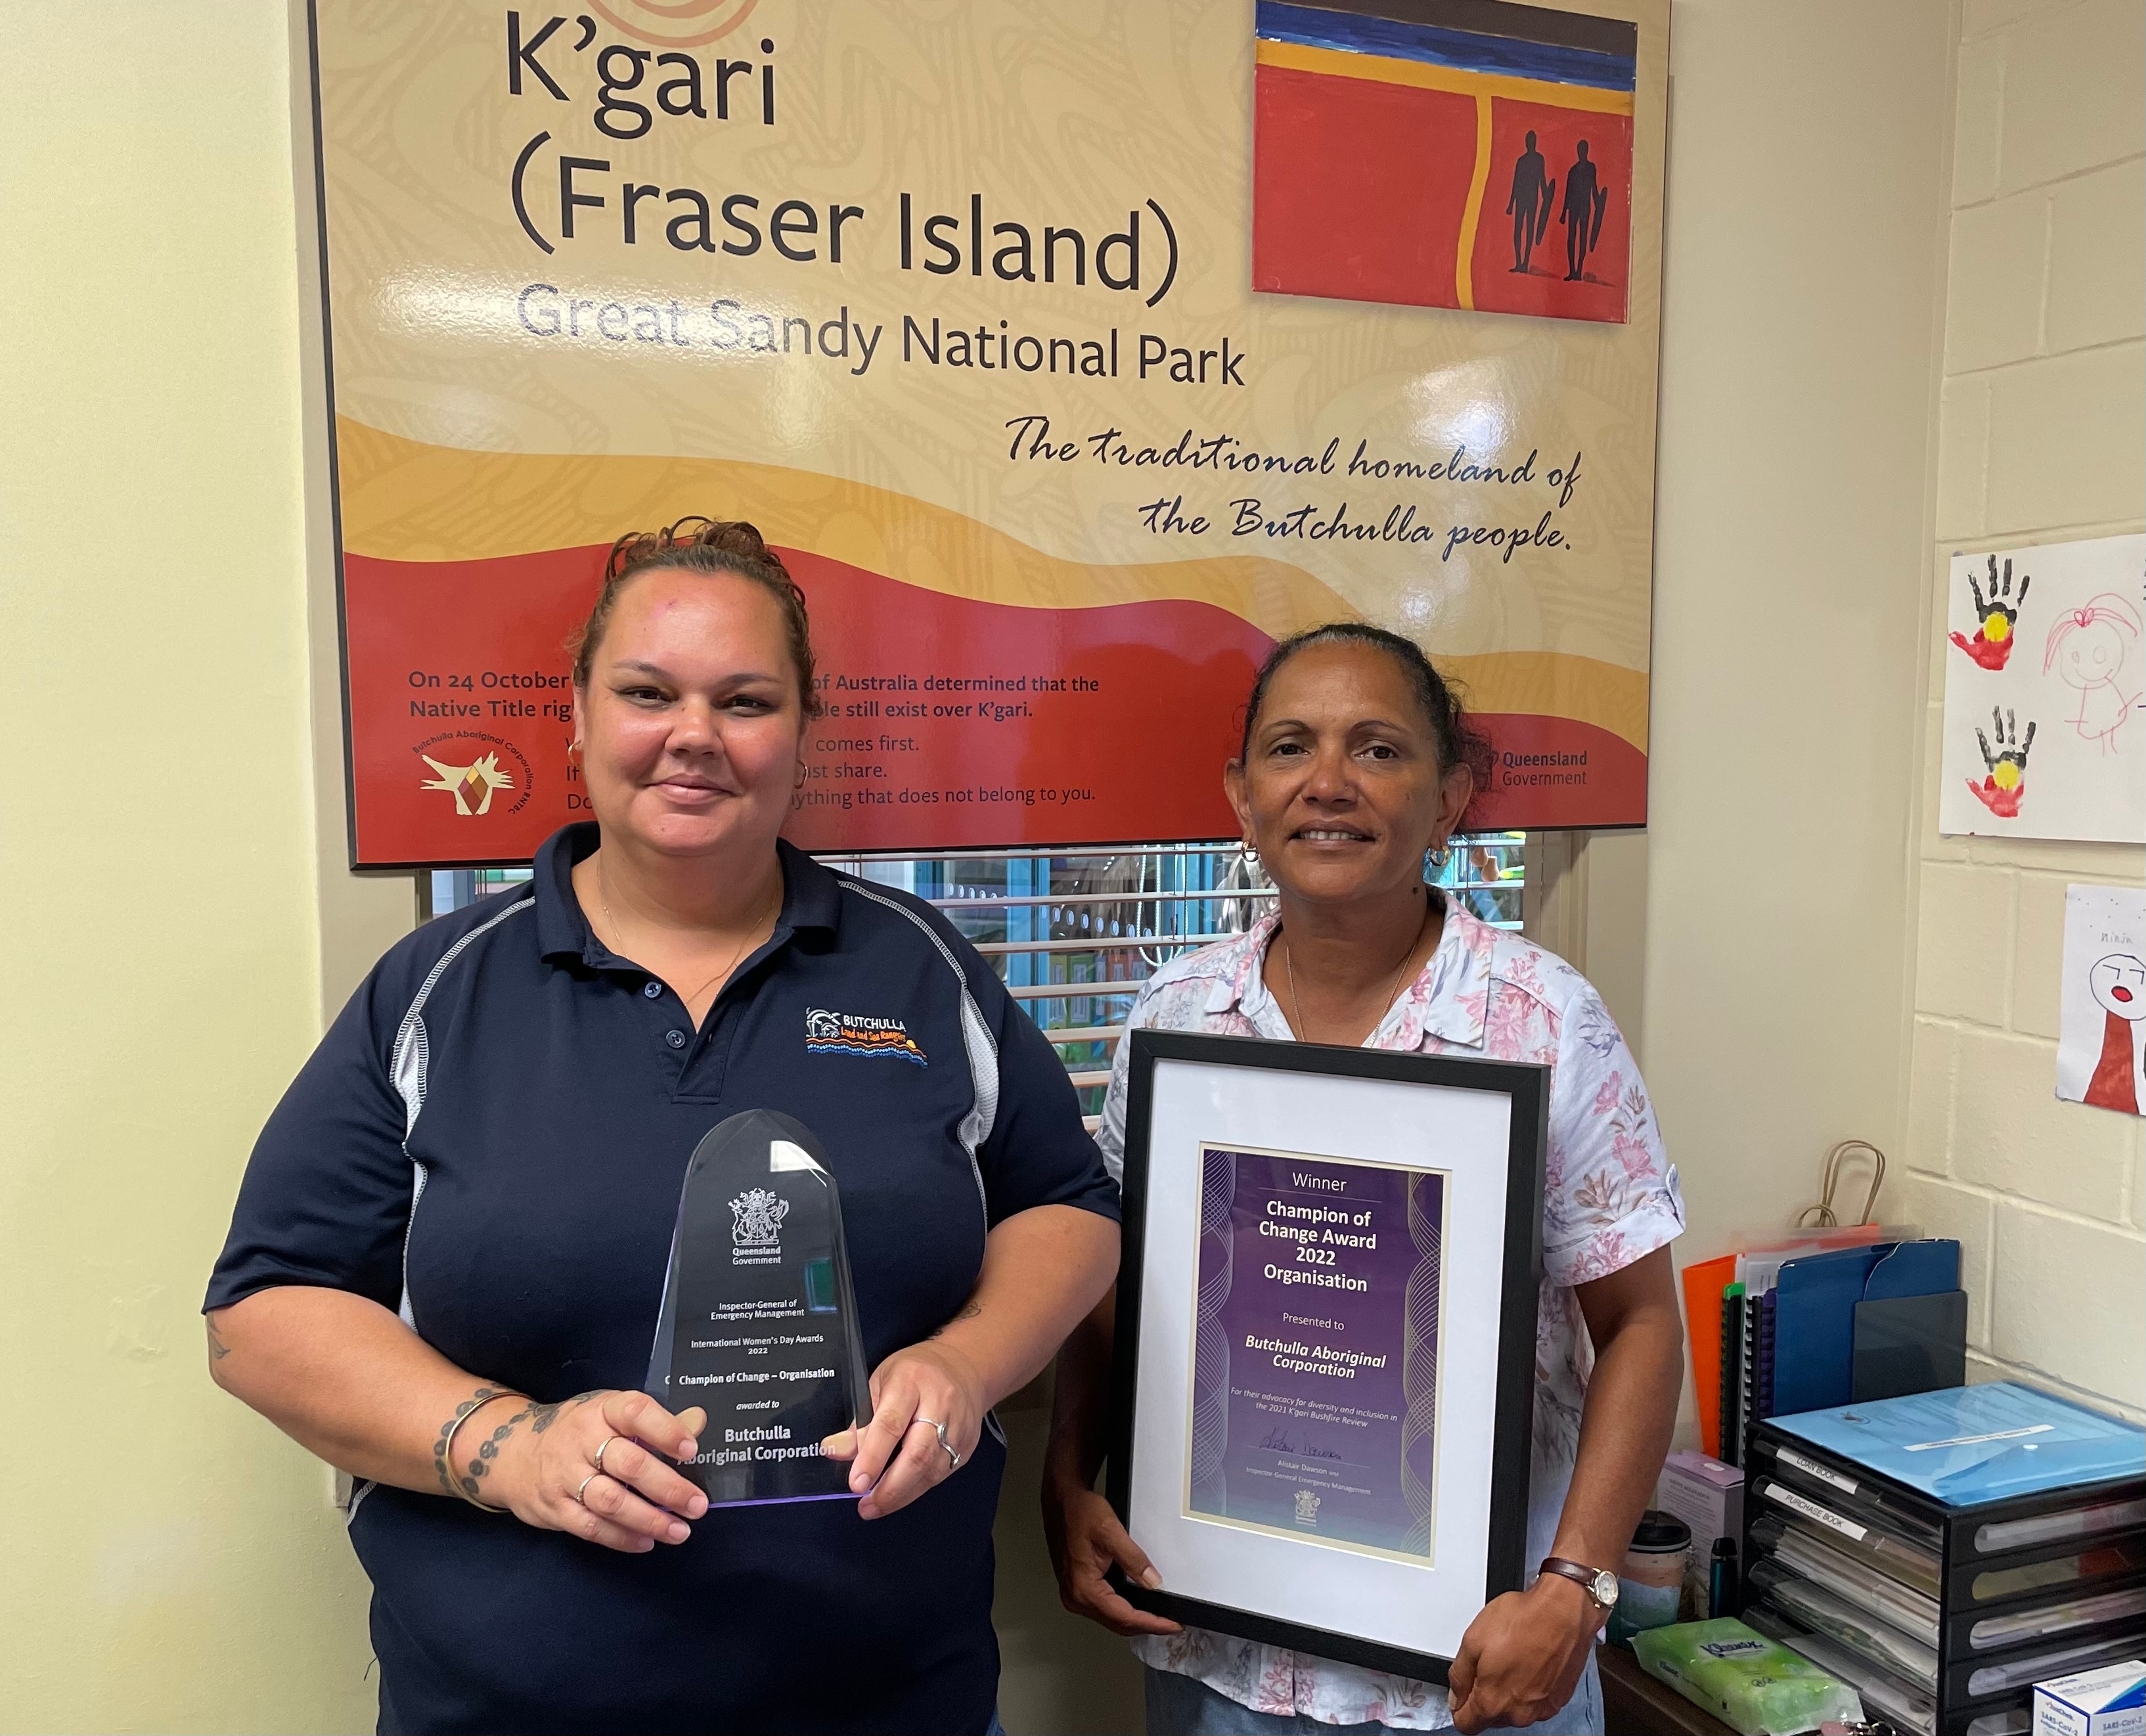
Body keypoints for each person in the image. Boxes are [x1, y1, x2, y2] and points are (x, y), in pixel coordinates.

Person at [205, 518, 1121, 1736]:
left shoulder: (921, 968)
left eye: (745, 700)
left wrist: (968, 1361)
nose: (694, 733)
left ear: (802, 731)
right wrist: (510, 1444)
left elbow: (1067, 1204)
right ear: (577, 719)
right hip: (513, 1710)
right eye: (648, 692)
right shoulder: (438, 991)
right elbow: (262, 1314)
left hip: (893, 1701)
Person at [1043, 624, 1686, 1735]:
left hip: (1477, 1668)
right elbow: (1114, 1290)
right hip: (1218, 1657)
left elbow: (1638, 1322)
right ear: (1241, 796)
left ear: (1448, 801)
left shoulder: (1541, 1020)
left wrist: (1576, 1587)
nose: (1328, 782)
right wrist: (1067, 1479)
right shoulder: (1174, 1015)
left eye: (1378, 748)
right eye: (1290, 747)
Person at [1506, 131, 1554, 273]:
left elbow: (1542, 180)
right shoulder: (1521, 161)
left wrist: (1546, 194)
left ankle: (1525, 263)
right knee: (1518, 229)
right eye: (1529, 141)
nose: (1530, 143)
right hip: (1522, 198)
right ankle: (1519, 263)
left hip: (1532, 199)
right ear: (1527, 143)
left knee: (1529, 229)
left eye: (1532, 141)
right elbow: (1516, 182)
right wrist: (1511, 204)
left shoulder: (1539, 159)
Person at [1559, 141, 1605, 282]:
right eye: (1579, 150)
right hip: (1574, 206)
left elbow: (1593, 186)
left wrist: (1598, 202)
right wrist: (1564, 212)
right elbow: (1568, 192)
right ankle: (1572, 270)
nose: (1581, 152)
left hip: (1585, 207)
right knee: (1571, 238)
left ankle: (1579, 270)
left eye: (1583, 150)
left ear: (1586, 151)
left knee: (1582, 238)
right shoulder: (1573, 171)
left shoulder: (1591, 168)